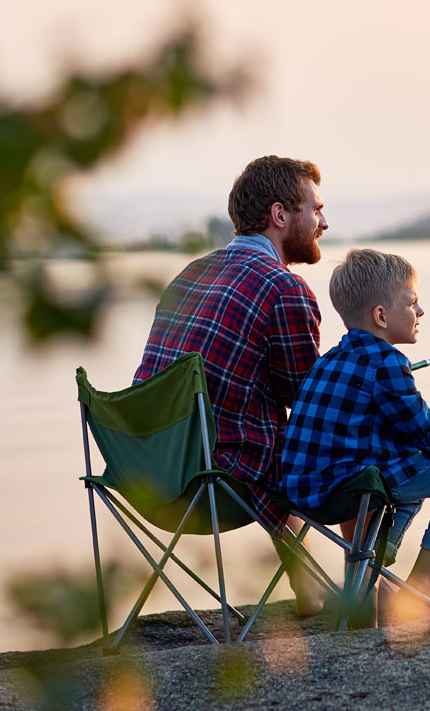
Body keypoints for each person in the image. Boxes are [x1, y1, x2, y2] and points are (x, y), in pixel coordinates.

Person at [133, 155, 330, 615]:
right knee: (326, 439)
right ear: (280, 215)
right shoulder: (284, 289)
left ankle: (310, 588)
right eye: (315, 209)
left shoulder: (190, 274)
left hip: (146, 472)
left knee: (267, 435)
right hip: (213, 484)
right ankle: (361, 591)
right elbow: (307, 407)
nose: (324, 221)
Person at [279, 248, 430, 618]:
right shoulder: (387, 363)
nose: (420, 312)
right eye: (413, 303)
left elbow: (380, 423)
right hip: (351, 492)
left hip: (303, 496)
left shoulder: (329, 360)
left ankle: (369, 576)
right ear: (381, 316)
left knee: (405, 458)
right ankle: (420, 582)